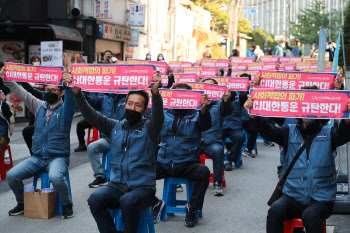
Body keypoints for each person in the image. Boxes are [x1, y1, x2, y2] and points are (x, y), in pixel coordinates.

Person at [64, 70, 164, 233]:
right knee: (95, 199)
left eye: (138, 105)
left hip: (143, 189)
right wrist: (77, 92)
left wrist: (155, 93)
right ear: (124, 105)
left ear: (145, 111)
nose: (132, 107)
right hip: (117, 186)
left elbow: (159, 117)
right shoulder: (115, 127)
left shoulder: (150, 129)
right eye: (130, 103)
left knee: (127, 201)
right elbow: (92, 115)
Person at [243, 90, 350, 233]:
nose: (307, 109)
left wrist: (347, 118)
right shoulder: (288, 131)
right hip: (293, 195)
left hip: (321, 198)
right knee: (275, 211)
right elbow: (269, 131)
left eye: (312, 105)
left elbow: (345, 134)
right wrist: (255, 117)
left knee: (310, 216)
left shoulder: (330, 133)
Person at [0, 67, 76, 219]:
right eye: (47, 89)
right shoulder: (39, 106)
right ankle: (22, 203)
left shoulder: (66, 109)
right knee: (11, 175)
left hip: (58, 157)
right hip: (37, 157)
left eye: (53, 90)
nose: (49, 92)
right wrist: (6, 78)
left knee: (55, 176)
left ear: (61, 93)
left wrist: (67, 85)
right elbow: (21, 91)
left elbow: (71, 98)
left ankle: (67, 204)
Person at [152, 83, 211, 227]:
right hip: (163, 161)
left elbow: (206, 125)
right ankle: (155, 203)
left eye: (184, 95)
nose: (180, 98)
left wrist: (204, 109)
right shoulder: (163, 114)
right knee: (137, 170)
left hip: (187, 162)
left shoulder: (197, 115)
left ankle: (192, 208)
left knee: (203, 172)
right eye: (177, 94)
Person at [85, 93, 126, 187]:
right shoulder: (105, 99)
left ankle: (120, 177)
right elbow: (89, 102)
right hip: (108, 139)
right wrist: (80, 91)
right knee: (92, 147)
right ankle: (100, 176)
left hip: (123, 139)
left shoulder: (128, 99)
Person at [200, 78, 233, 196]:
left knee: (218, 150)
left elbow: (227, 111)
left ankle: (217, 182)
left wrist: (226, 100)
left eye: (211, 86)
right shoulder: (195, 102)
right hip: (195, 141)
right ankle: (180, 179)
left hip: (212, 142)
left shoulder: (219, 103)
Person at [222, 78, 248, 171]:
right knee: (215, 138)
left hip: (235, 127)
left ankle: (230, 160)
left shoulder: (240, 97)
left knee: (239, 137)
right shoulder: (221, 97)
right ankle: (218, 160)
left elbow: (248, 97)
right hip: (222, 126)